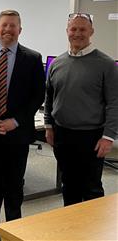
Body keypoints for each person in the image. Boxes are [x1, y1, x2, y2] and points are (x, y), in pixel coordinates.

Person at [0, 10, 45, 241]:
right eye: (4, 25)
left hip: (17, 133)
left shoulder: (33, 58)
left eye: (13, 26)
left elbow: (37, 96)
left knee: (15, 184)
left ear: (19, 30)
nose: (8, 29)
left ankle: (15, 229)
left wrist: (15, 121)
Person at [45, 13, 118, 206]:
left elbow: (114, 103)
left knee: (91, 188)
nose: (77, 33)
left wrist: (109, 137)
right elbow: (49, 97)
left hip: (92, 137)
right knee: (68, 185)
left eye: (82, 29)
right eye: (73, 29)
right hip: (62, 135)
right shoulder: (57, 63)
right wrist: (48, 126)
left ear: (91, 31)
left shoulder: (107, 64)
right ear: (67, 31)